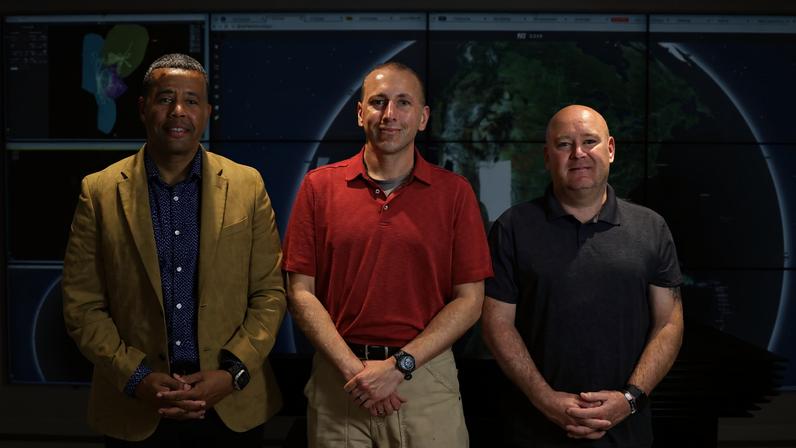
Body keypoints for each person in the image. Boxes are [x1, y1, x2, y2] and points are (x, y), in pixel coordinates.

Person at [62, 53, 286, 446]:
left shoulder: (247, 185)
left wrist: (231, 373)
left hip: (230, 406)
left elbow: (269, 294)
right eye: (165, 98)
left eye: (191, 100)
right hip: (136, 409)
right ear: (144, 108)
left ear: (207, 112)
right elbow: (82, 305)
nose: (178, 111)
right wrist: (136, 378)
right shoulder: (97, 192)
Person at [282, 61, 493, 447]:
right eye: (378, 102)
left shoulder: (455, 194)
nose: (389, 114)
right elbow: (300, 292)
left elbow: (470, 300)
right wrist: (356, 372)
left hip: (425, 381)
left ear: (423, 117)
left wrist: (400, 367)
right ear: (361, 113)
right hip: (340, 381)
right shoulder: (319, 188)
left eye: (403, 103)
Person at [481, 105, 684, 447]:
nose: (578, 154)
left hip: (626, 432)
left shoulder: (651, 227)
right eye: (564, 144)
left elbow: (669, 323)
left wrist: (629, 399)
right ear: (548, 157)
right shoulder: (512, 228)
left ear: (611, 149)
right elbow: (496, 324)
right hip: (532, 431)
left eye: (590, 141)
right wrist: (545, 399)